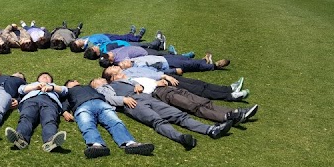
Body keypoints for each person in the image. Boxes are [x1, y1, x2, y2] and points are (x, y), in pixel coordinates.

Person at [91, 77, 233, 151]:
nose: (100, 78)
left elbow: (132, 81)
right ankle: (181, 138)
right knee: (157, 121)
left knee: (178, 115)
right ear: (95, 84)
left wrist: (136, 84)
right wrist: (123, 99)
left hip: (145, 97)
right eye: (97, 79)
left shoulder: (118, 80)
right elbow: (109, 98)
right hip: (132, 103)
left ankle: (210, 130)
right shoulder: (102, 88)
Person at [102, 66, 258, 126]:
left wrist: (160, 79)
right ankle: (226, 116)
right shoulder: (121, 84)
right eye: (114, 69)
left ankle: (237, 113)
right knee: (193, 106)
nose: (117, 67)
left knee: (201, 100)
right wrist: (154, 84)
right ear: (113, 77)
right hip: (160, 94)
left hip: (166, 88)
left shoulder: (129, 78)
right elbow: (140, 91)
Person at [61, 79, 155, 159]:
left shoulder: (89, 87)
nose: (75, 81)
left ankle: (130, 143)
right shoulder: (68, 92)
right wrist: (65, 111)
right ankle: (96, 145)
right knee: (86, 124)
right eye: (72, 81)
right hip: (82, 106)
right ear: (67, 86)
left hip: (100, 103)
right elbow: (64, 103)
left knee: (114, 121)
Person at [117, 59, 250, 102]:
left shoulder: (133, 68)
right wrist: (165, 77)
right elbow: (148, 78)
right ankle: (230, 96)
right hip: (165, 82)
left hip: (166, 77)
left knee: (199, 83)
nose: (117, 65)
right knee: (198, 90)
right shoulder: (127, 75)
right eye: (113, 68)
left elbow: (151, 71)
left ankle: (229, 88)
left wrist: (167, 74)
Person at [4, 72, 68, 152]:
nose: (45, 77)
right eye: (43, 76)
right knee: (26, 117)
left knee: (50, 120)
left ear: (51, 80)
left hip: (49, 101)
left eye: (47, 77)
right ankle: (21, 139)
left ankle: (50, 141)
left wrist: (51, 87)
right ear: (38, 79)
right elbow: (21, 90)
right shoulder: (32, 84)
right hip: (31, 100)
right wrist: (35, 87)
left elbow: (65, 90)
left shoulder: (54, 86)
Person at [99, 48, 229, 71]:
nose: (122, 62)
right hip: (165, 63)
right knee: (190, 64)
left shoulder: (132, 62)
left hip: (162, 57)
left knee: (183, 59)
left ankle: (204, 60)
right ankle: (214, 66)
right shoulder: (133, 67)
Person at [69, 25, 148, 53]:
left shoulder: (83, 39)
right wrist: (108, 42)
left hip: (104, 35)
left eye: (78, 40)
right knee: (122, 38)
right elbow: (100, 46)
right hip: (108, 39)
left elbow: (76, 39)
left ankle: (131, 34)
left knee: (122, 37)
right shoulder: (90, 45)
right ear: (81, 47)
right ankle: (137, 37)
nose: (80, 40)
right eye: (79, 42)